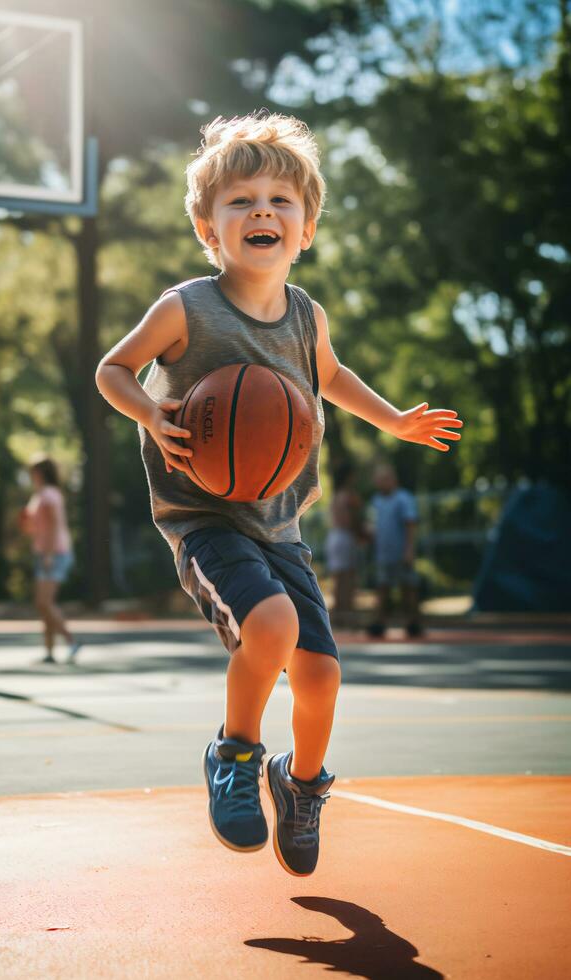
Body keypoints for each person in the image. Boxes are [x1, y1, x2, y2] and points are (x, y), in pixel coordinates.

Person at [95, 111, 463, 876]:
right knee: (270, 625)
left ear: (307, 229)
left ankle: (299, 787)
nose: (261, 210)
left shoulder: (306, 316)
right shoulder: (185, 308)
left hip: (280, 524)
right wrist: (150, 414)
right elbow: (112, 370)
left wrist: (393, 418)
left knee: (322, 675)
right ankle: (234, 752)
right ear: (208, 228)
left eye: (279, 200)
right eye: (240, 200)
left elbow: (329, 377)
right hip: (204, 519)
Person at [19, 456, 81, 665]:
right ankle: (49, 651)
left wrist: (48, 554)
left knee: (44, 602)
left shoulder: (49, 495)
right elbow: (33, 527)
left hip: (54, 552)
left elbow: (54, 526)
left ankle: (71, 641)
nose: (31, 475)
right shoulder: (39, 495)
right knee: (44, 605)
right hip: (44, 552)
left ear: (40, 473)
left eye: (33, 472)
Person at [366, 462, 423, 638]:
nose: (382, 482)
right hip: (383, 553)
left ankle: (413, 622)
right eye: (379, 479)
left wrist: (409, 549)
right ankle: (380, 622)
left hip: (401, 552)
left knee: (408, 587)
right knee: (383, 588)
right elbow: (372, 525)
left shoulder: (403, 498)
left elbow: (410, 524)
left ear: (393, 479)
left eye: (385, 479)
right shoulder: (375, 501)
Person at [325, 461, 365, 627]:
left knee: (339, 577)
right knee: (347, 577)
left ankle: (338, 615)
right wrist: (362, 534)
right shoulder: (348, 496)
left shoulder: (336, 495)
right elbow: (351, 519)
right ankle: (346, 614)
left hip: (334, 536)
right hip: (344, 536)